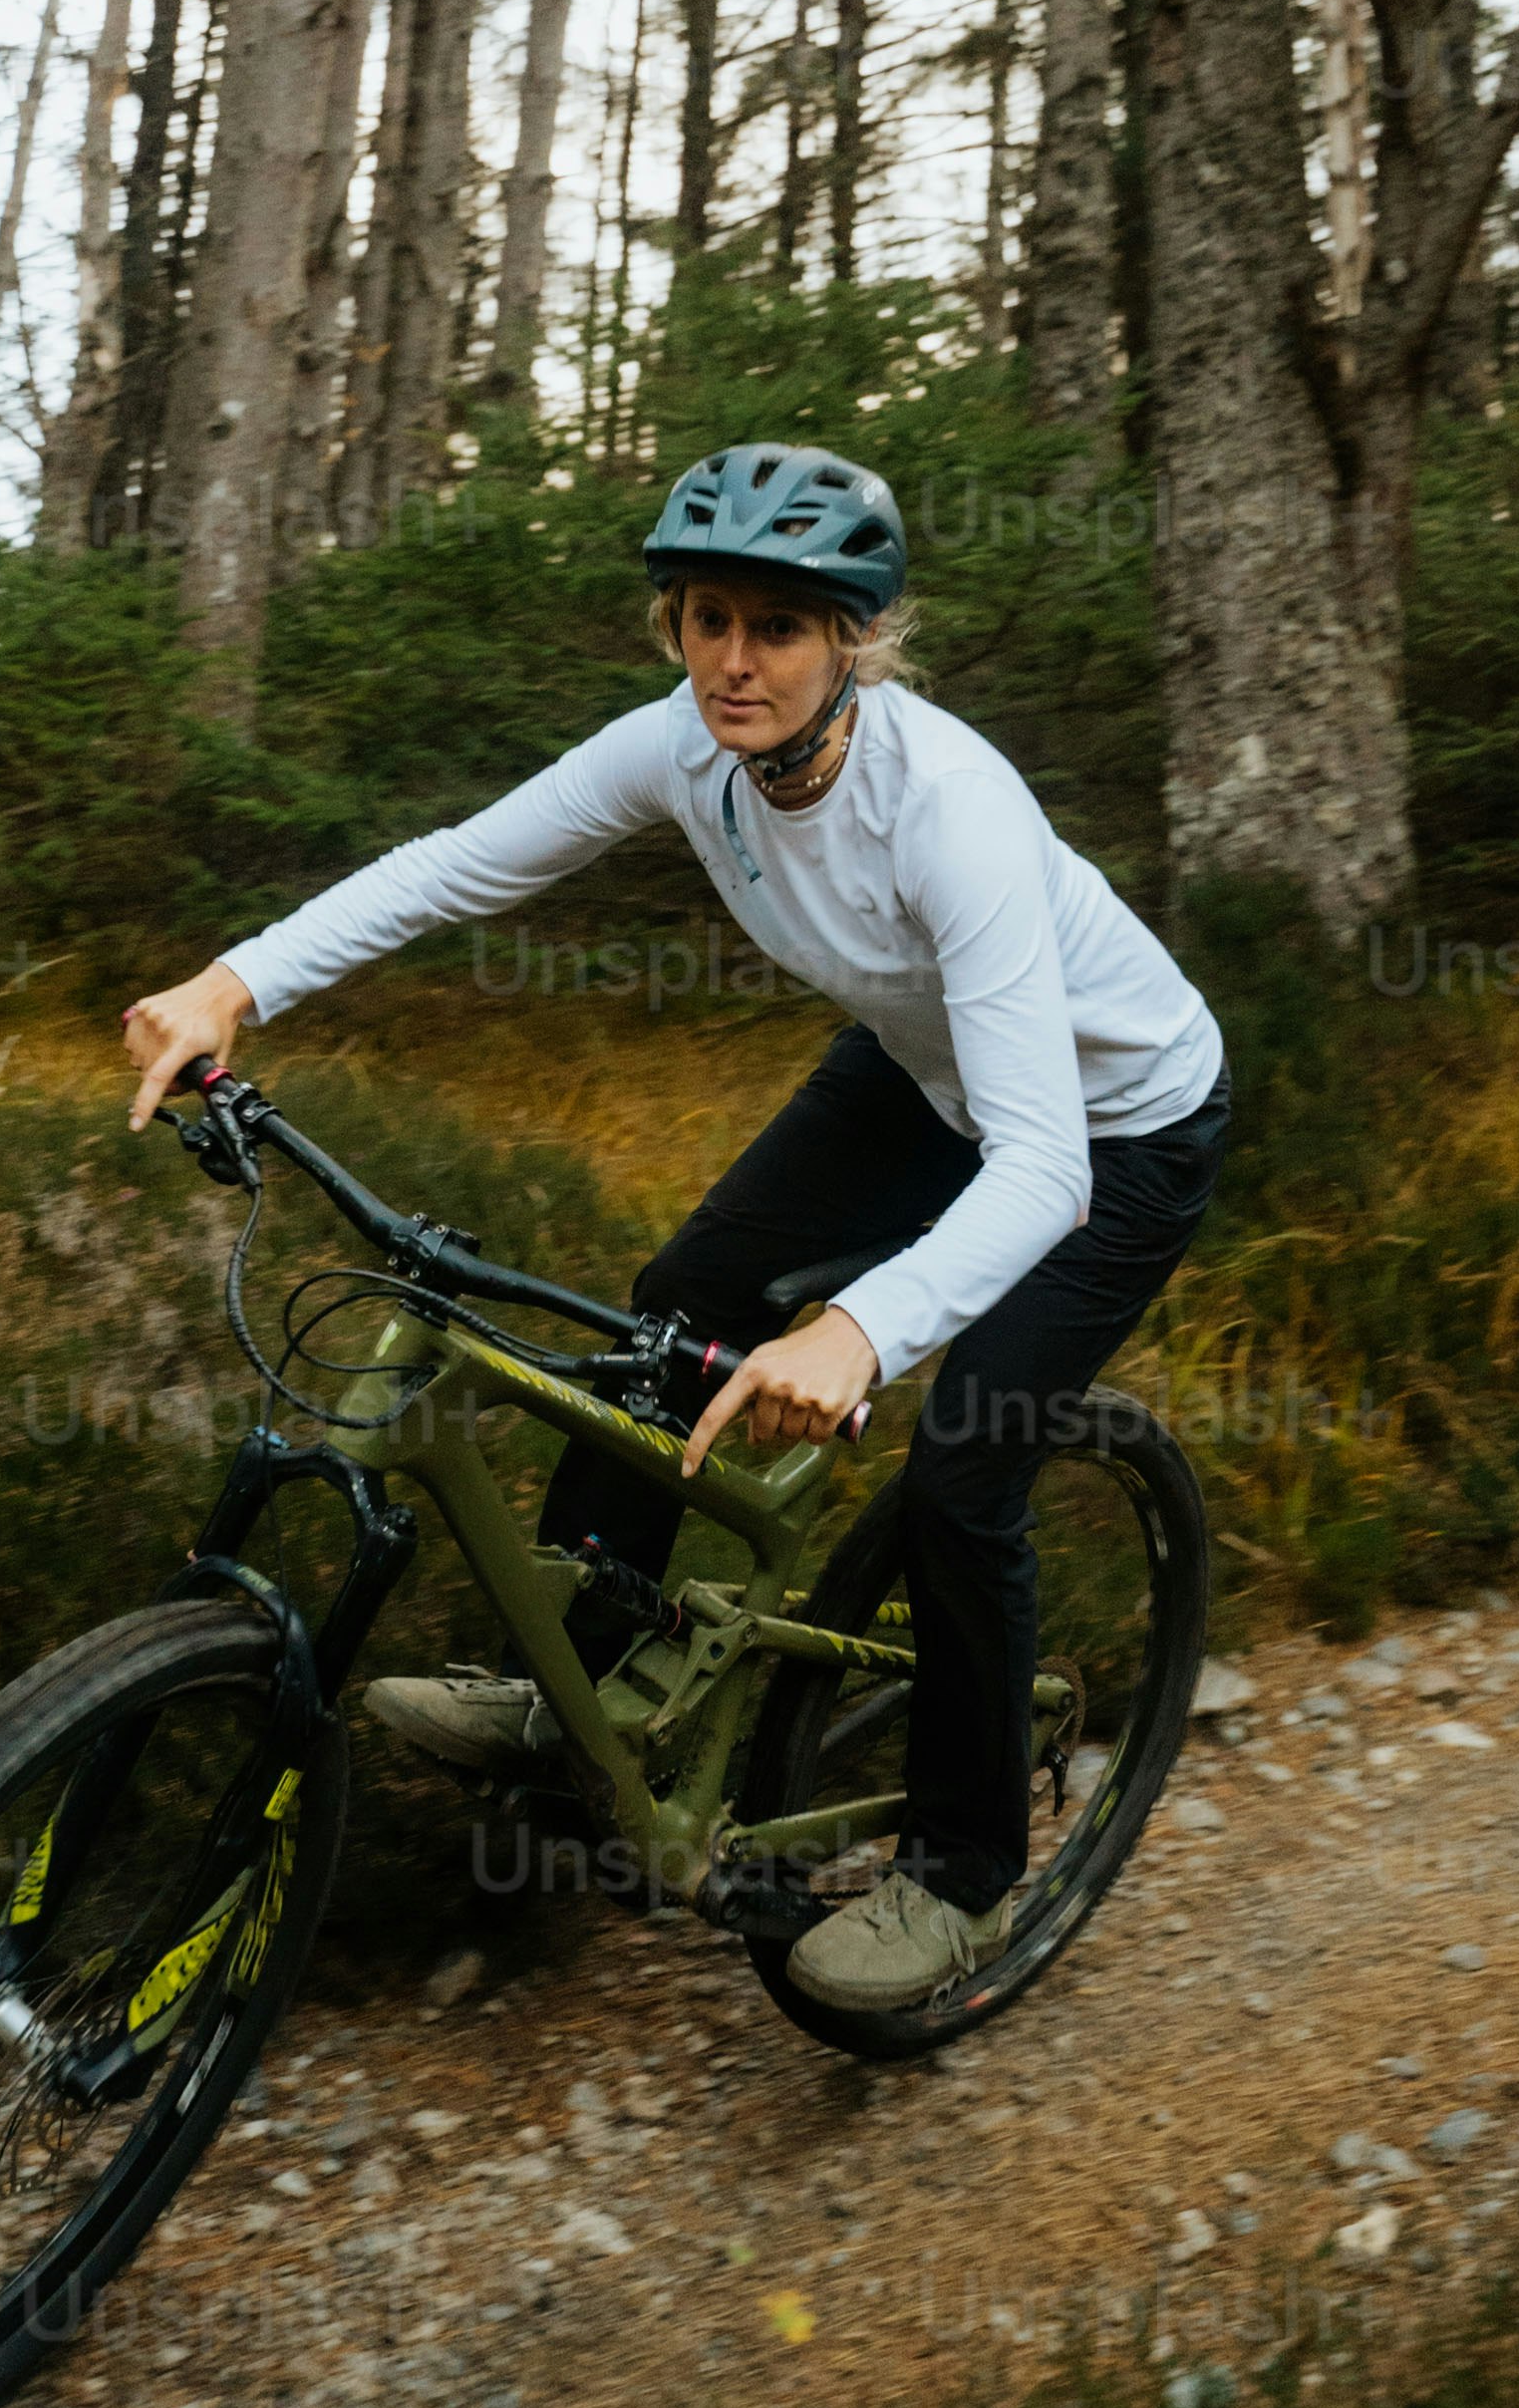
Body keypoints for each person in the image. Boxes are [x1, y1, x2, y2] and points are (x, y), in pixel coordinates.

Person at [122, 439, 1230, 2017]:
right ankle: (587, 1675)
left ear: (852, 640)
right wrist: (236, 980)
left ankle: (965, 1872)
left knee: (969, 1458)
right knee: (687, 1290)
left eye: (775, 628)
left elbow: (1044, 1163)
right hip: (925, 1071)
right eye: (706, 618)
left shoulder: (952, 810)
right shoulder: (683, 750)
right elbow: (455, 868)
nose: (732, 660)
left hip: (1118, 1132)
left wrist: (857, 1331)